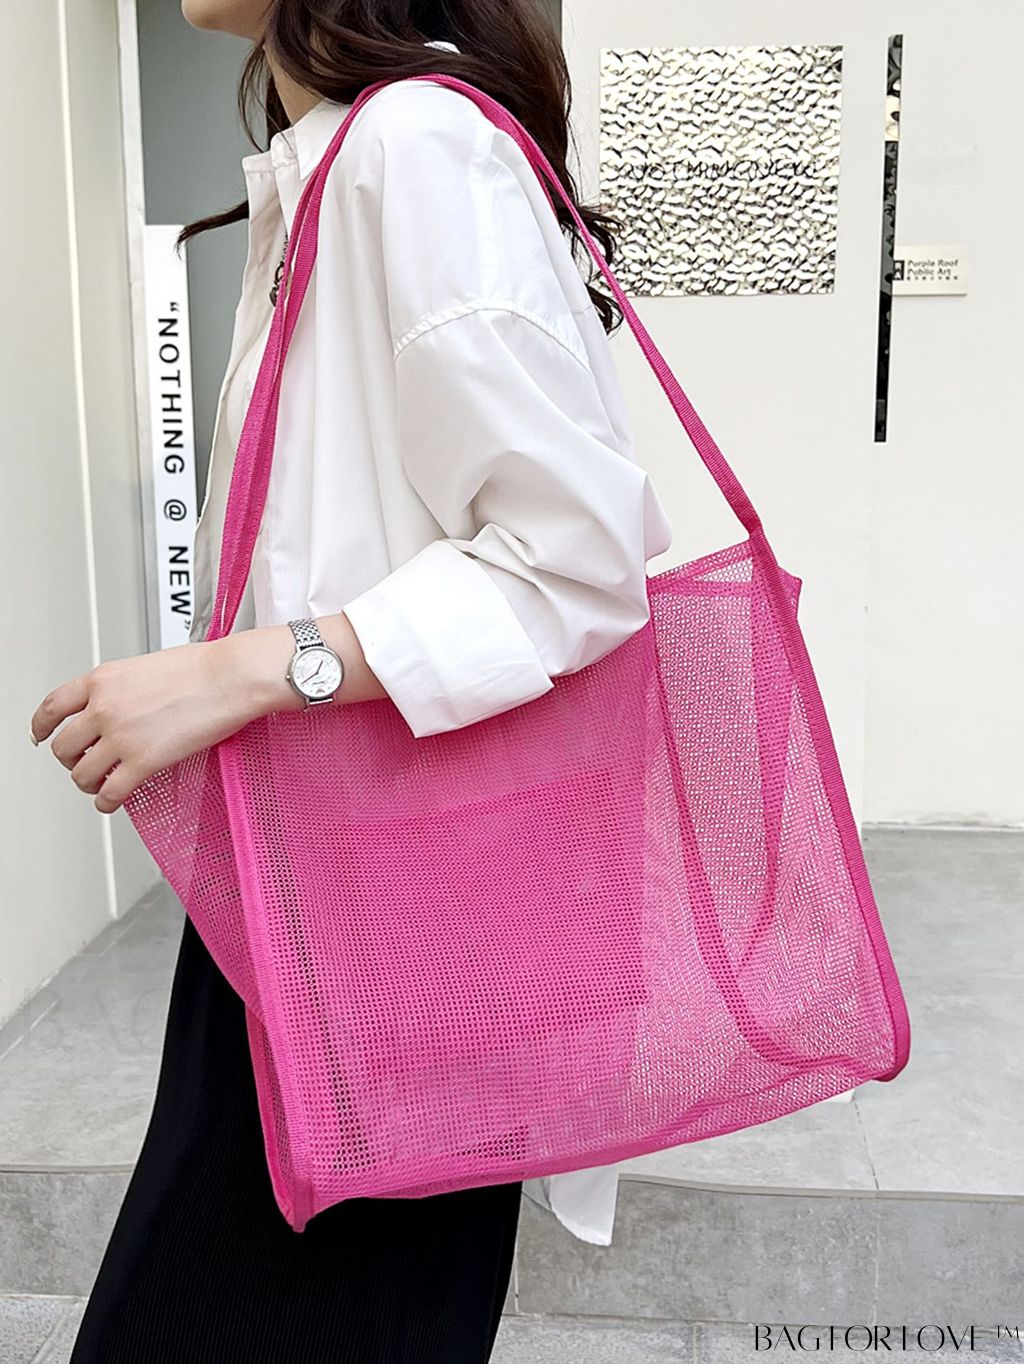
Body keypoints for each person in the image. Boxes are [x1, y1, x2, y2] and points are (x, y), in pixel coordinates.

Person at [29, 1, 674, 1358]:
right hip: (320, 890)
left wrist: (237, 675)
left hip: (405, 928)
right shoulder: (337, 161)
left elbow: (575, 561)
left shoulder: (416, 147)